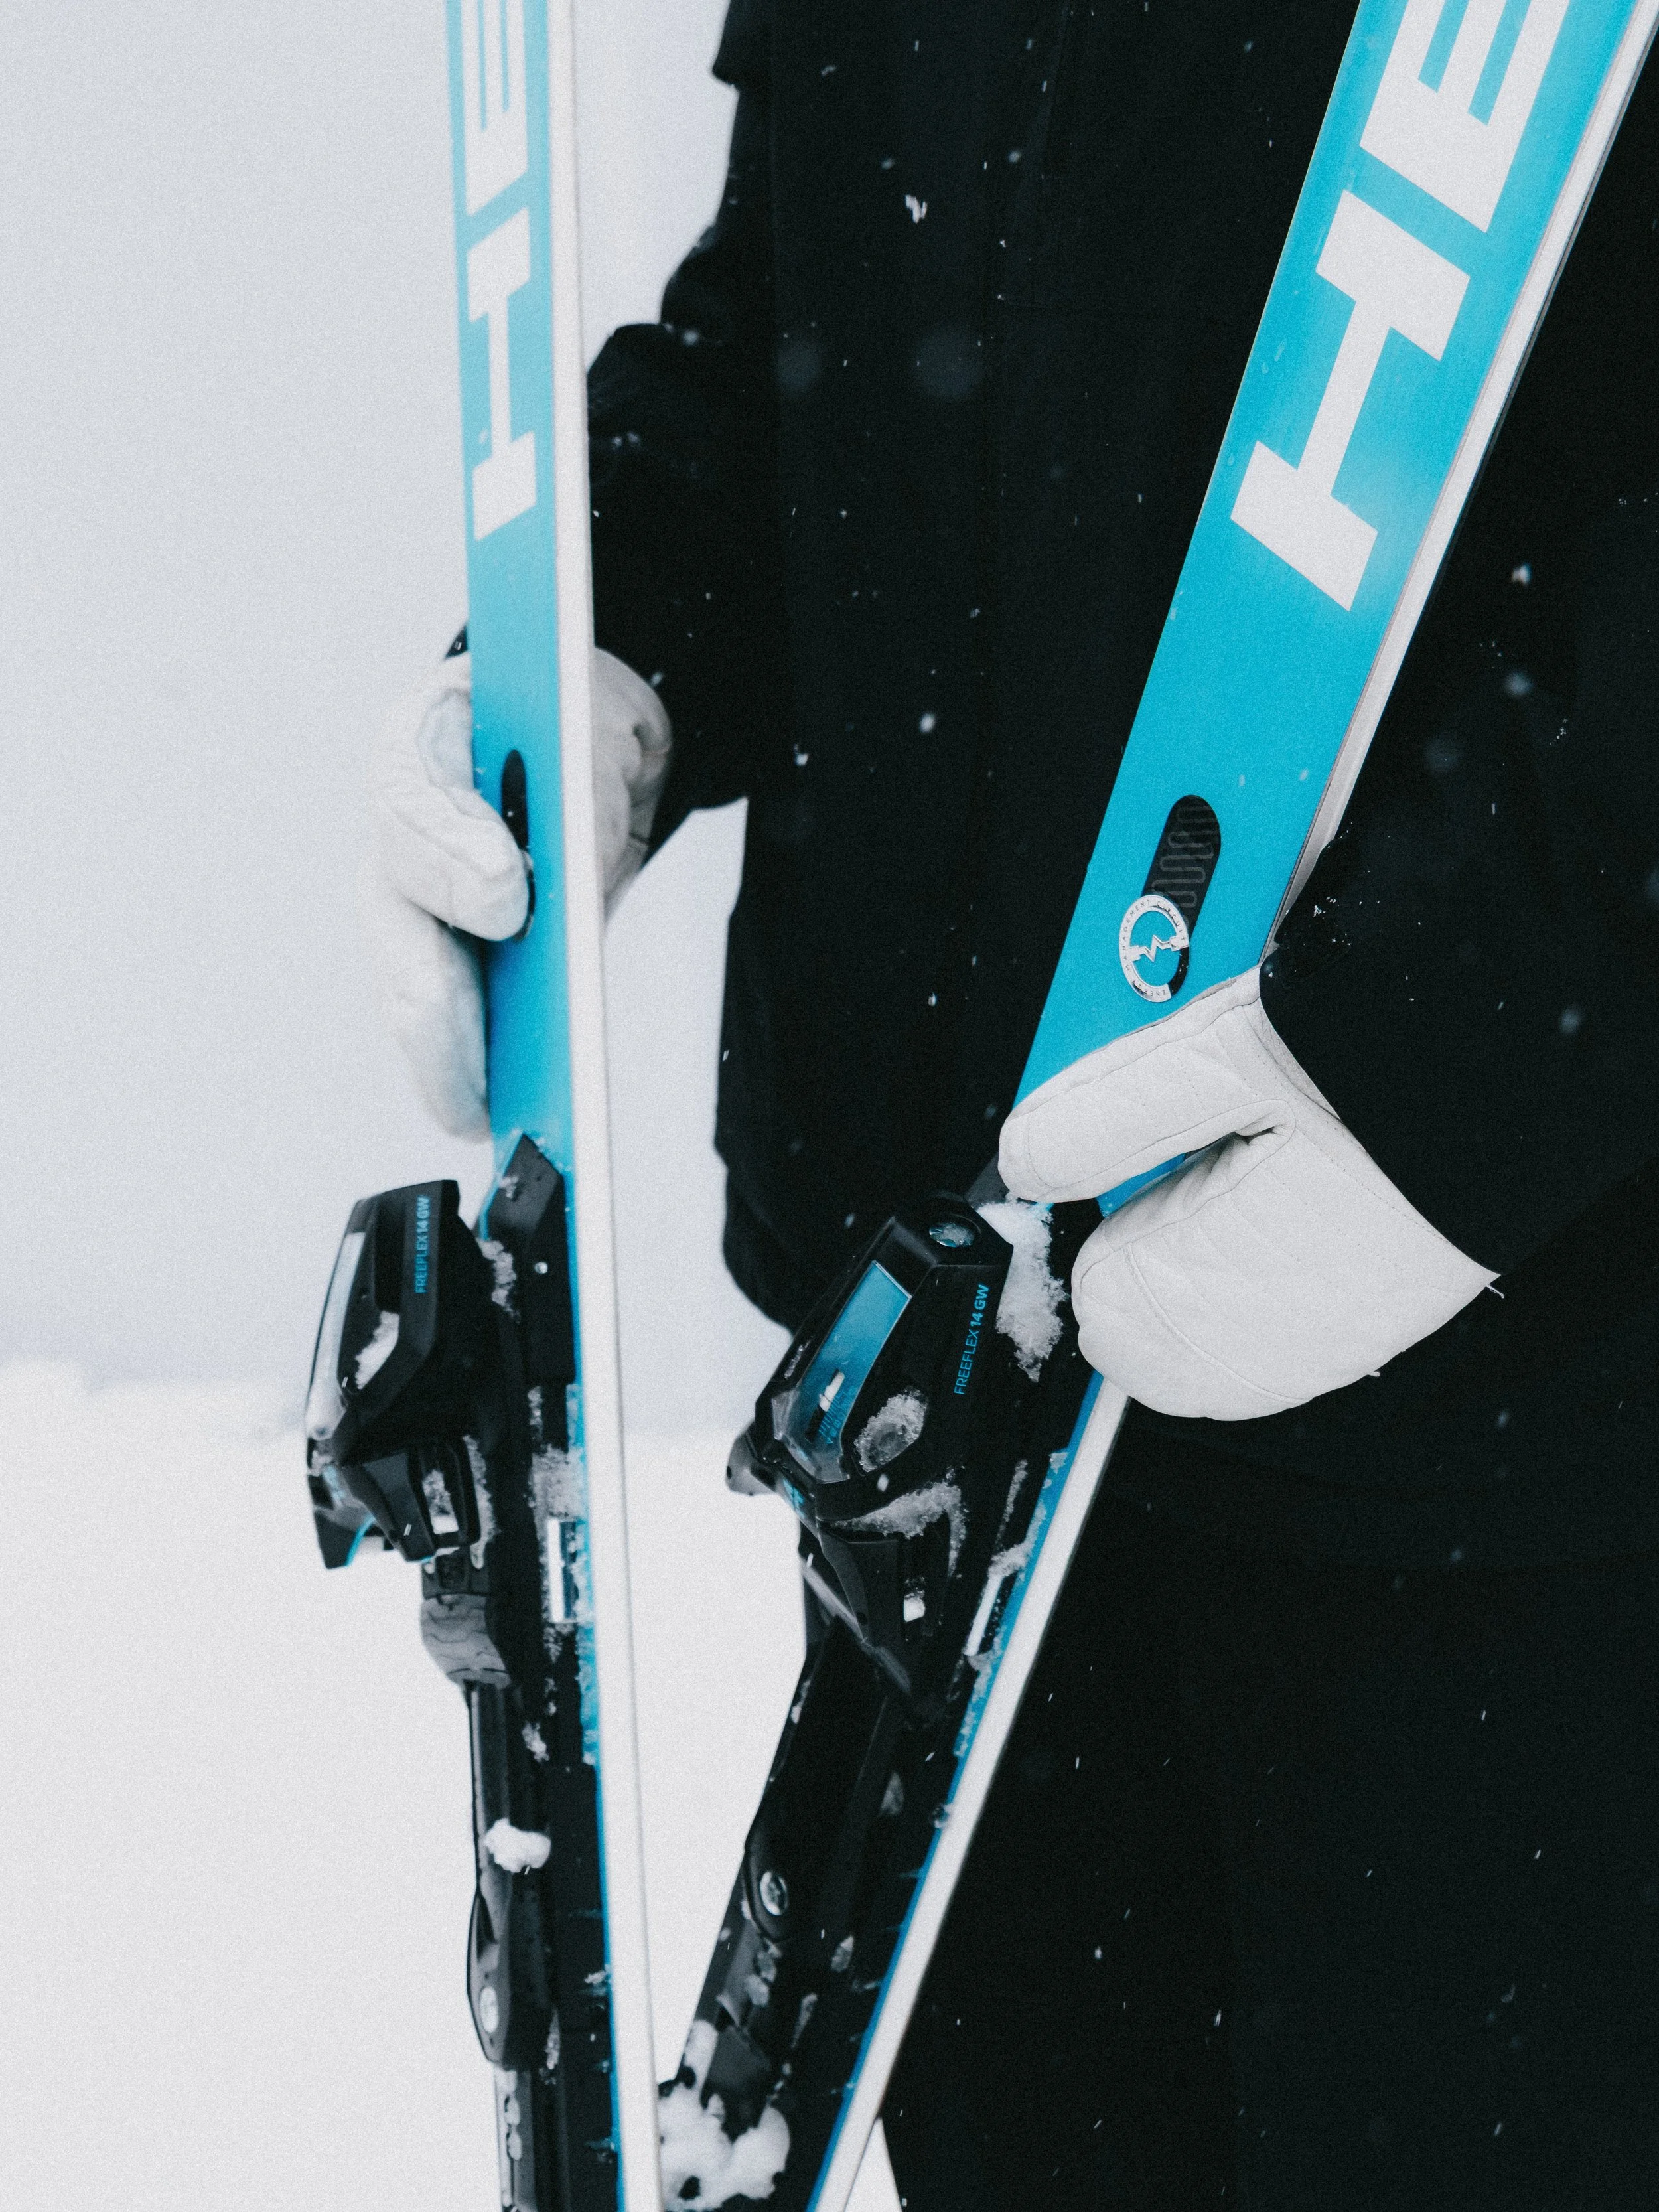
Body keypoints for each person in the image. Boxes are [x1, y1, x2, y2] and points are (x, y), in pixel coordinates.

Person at [363, 5, 1659, 2203]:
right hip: (952, 1409)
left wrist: (1468, 1063)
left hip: (1512, 1437)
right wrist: (607, 647)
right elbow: (814, 307)